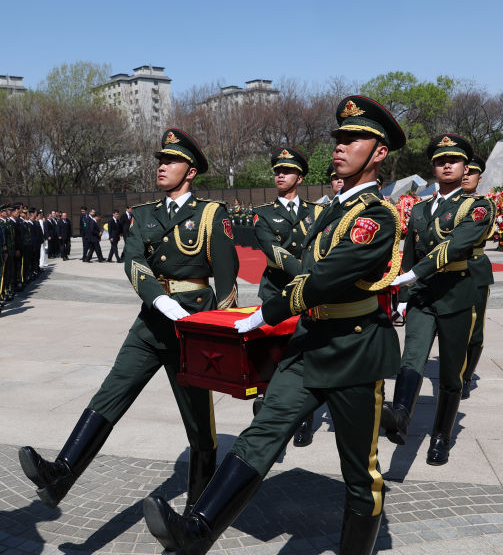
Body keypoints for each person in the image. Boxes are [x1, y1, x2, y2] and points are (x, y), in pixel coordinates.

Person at [143, 96, 405, 555]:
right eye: (339, 138)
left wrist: (265, 313)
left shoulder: (375, 216)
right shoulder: (333, 209)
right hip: (308, 343)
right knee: (261, 433)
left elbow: (323, 279)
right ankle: (197, 530)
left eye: (354, 139)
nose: (340, 146)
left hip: (354, 350)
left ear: (379, 152)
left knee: (359, 472)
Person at [19, 128, 239, 517]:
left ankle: (198, 512)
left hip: (193, 326)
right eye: (160, 160)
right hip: (152, 321)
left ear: (191, 171)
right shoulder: (144, 214)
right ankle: (61, 472)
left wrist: (220, 335)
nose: (162, 166)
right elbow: (133, 260)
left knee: (198, 421)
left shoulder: (210, 213)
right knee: (112, 391)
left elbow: (226, 279)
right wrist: (159, 299)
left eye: (171, 161)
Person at [383, 133, 494, 466]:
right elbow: (409, 253)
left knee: (450, 373)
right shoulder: (419, 209)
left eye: (454, 161)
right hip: (423, 297)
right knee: (412, 357)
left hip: (456, 296)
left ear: (465, 168)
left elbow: (456, 245)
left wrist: (414, 274)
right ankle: (400, 417)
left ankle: (441, 436)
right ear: (433, 167)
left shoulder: (477, 207)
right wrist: (403, 297)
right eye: (440, 161)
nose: (447, 166)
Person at [250, 146, 322, 447]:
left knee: (305, 353)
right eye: (278, 171)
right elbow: (275, 252)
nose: (281, 175)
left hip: (308, 294)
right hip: (277, 291)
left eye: (288, 171)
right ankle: (270, 411)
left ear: (300, 177)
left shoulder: (316, 212)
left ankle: (304, 417)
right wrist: (311, 275)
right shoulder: (263, 214)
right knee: (273, 354)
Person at [459, 156, 496, 399]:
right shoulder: (440, 203)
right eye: (464, 171)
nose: (465, 176)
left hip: (473, 269)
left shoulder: (483, 205)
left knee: (474, 328)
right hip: (444, 270)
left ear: (479, 178)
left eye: (471, 172)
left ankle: (465, 376)